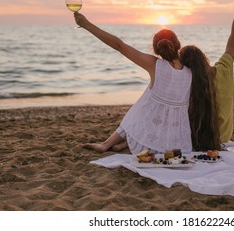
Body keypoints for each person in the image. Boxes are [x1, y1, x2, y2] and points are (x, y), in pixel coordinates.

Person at [74, 12, 193, 154]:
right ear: (178, 45)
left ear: (156, 49)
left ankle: (106, 144)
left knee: (146, 103)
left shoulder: (154, 64)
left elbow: (119, 45)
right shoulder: (192, 69)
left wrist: (87, 25)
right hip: (176, 145)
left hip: (147, 144)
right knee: (158, 104)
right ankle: (124, 144)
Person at [180, 0, 234, 144]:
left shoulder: (185, 81)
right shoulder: (224, 69)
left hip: (195, 141)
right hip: (223, 139)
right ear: (203, 59)